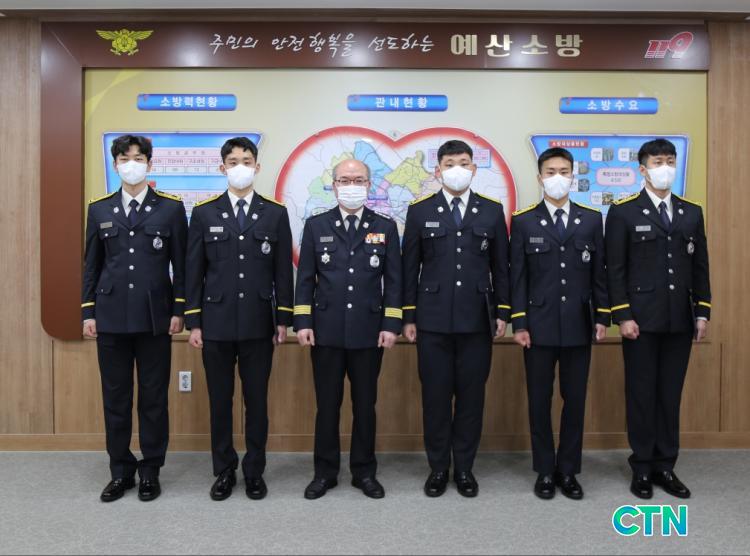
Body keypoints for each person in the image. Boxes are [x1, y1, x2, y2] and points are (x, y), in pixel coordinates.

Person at [185, 137, 294, 501]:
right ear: (222, 168)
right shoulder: (204, 213)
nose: (240, 167)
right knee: (220, 401)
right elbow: (193, 271)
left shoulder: (275, 213)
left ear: (257, 167)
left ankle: (254, 471)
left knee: (256, 402)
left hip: (259, 323)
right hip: (215, 322)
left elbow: (283, 272)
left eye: (246, 161)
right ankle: (224, 470)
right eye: (233, 162)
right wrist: (194, 321)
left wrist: (283, 319)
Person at [402, 139, 510, 497]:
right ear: (438, 170)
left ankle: (464, 468)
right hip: (431, 321)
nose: (457, 170)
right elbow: (409, 268)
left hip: (477, 320)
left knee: (471, 398)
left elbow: (501, 267)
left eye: (464, 163)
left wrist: (502, 311)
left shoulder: (491, 211)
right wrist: (408, 316)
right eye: (450, 164)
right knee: (435, 398)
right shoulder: (419, 211)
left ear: (474, 168)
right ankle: (438, 468)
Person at [82, 134, 187, 502]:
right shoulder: (99, 209)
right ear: (115, 165)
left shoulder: (170, 209)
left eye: (138, 158)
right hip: (110, 316)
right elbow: (91, 265)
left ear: (149, 163)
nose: (132, 164)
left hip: (155, 317)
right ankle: (120, 470)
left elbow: (182, 266)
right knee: (115, 398)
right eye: (125, 158)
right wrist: (88, 311)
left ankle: (151, 470)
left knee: (153, 398)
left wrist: (178, 310)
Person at [606, 138, 711, 499]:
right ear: (643, 169)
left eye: (669, 161)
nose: (664, 167)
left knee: (669, 395)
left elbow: (700, 266)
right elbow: (615, 269)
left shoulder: (691, 212)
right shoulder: (623, 212)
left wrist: (702, 311)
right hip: (640, 321)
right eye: (657, 162)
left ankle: (666, 465)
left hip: (679, 319)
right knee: (641, 395)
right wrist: (622, 315)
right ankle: (641, 467)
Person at [294, 159, 402, 500]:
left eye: (358, 180)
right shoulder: (316, 225)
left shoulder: (385, 227)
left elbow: (394, 282)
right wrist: (303, 322)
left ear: (368, 185)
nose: (351, 185)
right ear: (334, 184)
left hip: (369, 332)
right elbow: (305, 279)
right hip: (325, 332)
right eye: (344, 180)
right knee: (327, 406)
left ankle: (364, 472)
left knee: (365, 406)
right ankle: (324, 473)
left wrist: (391, 324)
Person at [510, 147, 609, 500]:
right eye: (551, 172)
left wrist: (602, 316)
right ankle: (544, 470)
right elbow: (517, 278)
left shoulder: (591, 219)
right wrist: (519, 323)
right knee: (539, 401)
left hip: (579, 324)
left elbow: (599, 274)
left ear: (573, 176)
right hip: (537, 327)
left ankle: (568, 470)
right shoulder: (524, 221)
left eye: (564, 171)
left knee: (575, 400)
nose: (558, 178)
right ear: (540, 178)